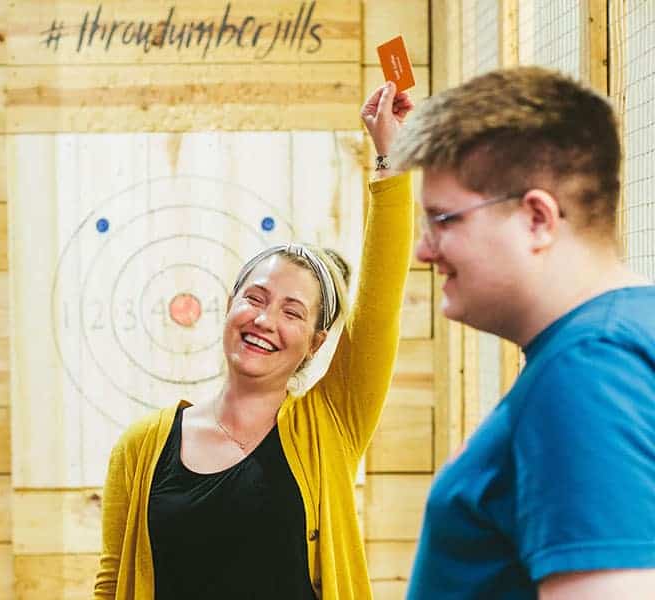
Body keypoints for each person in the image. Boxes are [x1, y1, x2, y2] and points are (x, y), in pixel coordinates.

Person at [92, 81, 414, 600]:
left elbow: (379, 305)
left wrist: (390, 161)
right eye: (256, 298)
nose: (265, 320)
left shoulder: (329, 424)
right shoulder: (140, 447)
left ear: (315, 343)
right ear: (230, 305)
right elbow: (112, 584)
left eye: (292, 312)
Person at [391, 66, 655, 598]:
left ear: (537, 218)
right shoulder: (618, 335)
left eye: (444, 220)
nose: (423, 250)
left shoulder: (586, 369)